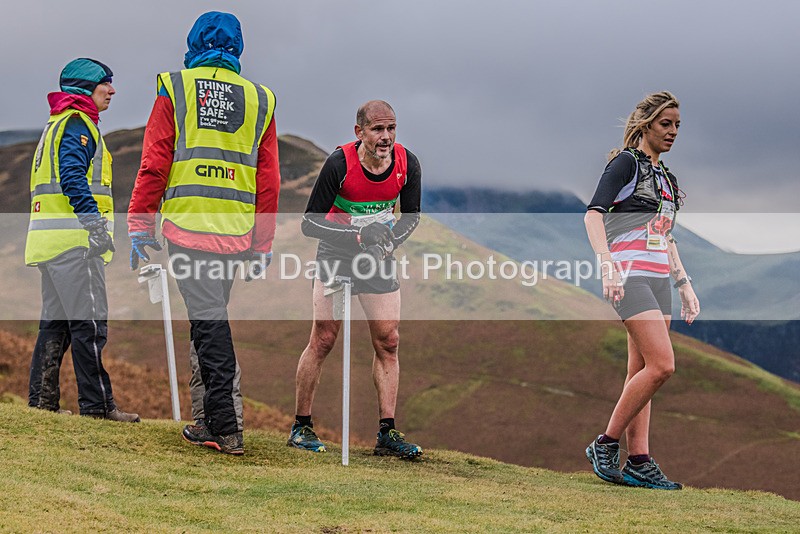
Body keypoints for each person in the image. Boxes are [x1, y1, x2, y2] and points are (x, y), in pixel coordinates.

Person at [128, 11, 280, 455]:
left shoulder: (175, 87)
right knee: (207, 320)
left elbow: (155, 161)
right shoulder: (260, 99)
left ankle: (226, 426)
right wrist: (263, 242)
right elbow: (268, 178)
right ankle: (208, 419)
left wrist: (139, 224)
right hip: (236, 232)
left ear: (194, 42)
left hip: (187, 226)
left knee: (209, 322)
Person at [287, 100, 423, 459]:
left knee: (389, 340)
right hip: (337, 252)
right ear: (359, 132)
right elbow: (309, 223)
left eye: (391, 128)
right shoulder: (339, 164)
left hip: (377, 256)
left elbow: (411, 216)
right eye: (378, 129)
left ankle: (387, 433)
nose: (386, 137)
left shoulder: (407, 163)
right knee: (324, 338)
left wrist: (388, 241)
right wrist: (359, 238)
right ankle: (301, 426)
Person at [584, 91, 700, 489]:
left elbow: (666, 237)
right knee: (663, 365)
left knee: (641, 370)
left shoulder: (668, 178)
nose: (672, 132)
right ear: (646, 123)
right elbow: (593, 215)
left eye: (678, 126)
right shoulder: (625, 164)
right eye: (666, 124)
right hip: (628, 275)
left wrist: (683, 283)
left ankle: (640, 460)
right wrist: (607, 266)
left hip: (658, 279)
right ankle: (605, 443)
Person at [25, 58, 140, 422]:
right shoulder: (78, 125)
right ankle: (98, 406)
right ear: (86, 88)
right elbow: (73, 178)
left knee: (55, 326)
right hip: (76, 244)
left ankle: (42, 403)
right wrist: (94, 227)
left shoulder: (56, 124)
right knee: (89, 326)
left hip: (49, 245)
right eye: (106, 83)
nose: (112, 90)